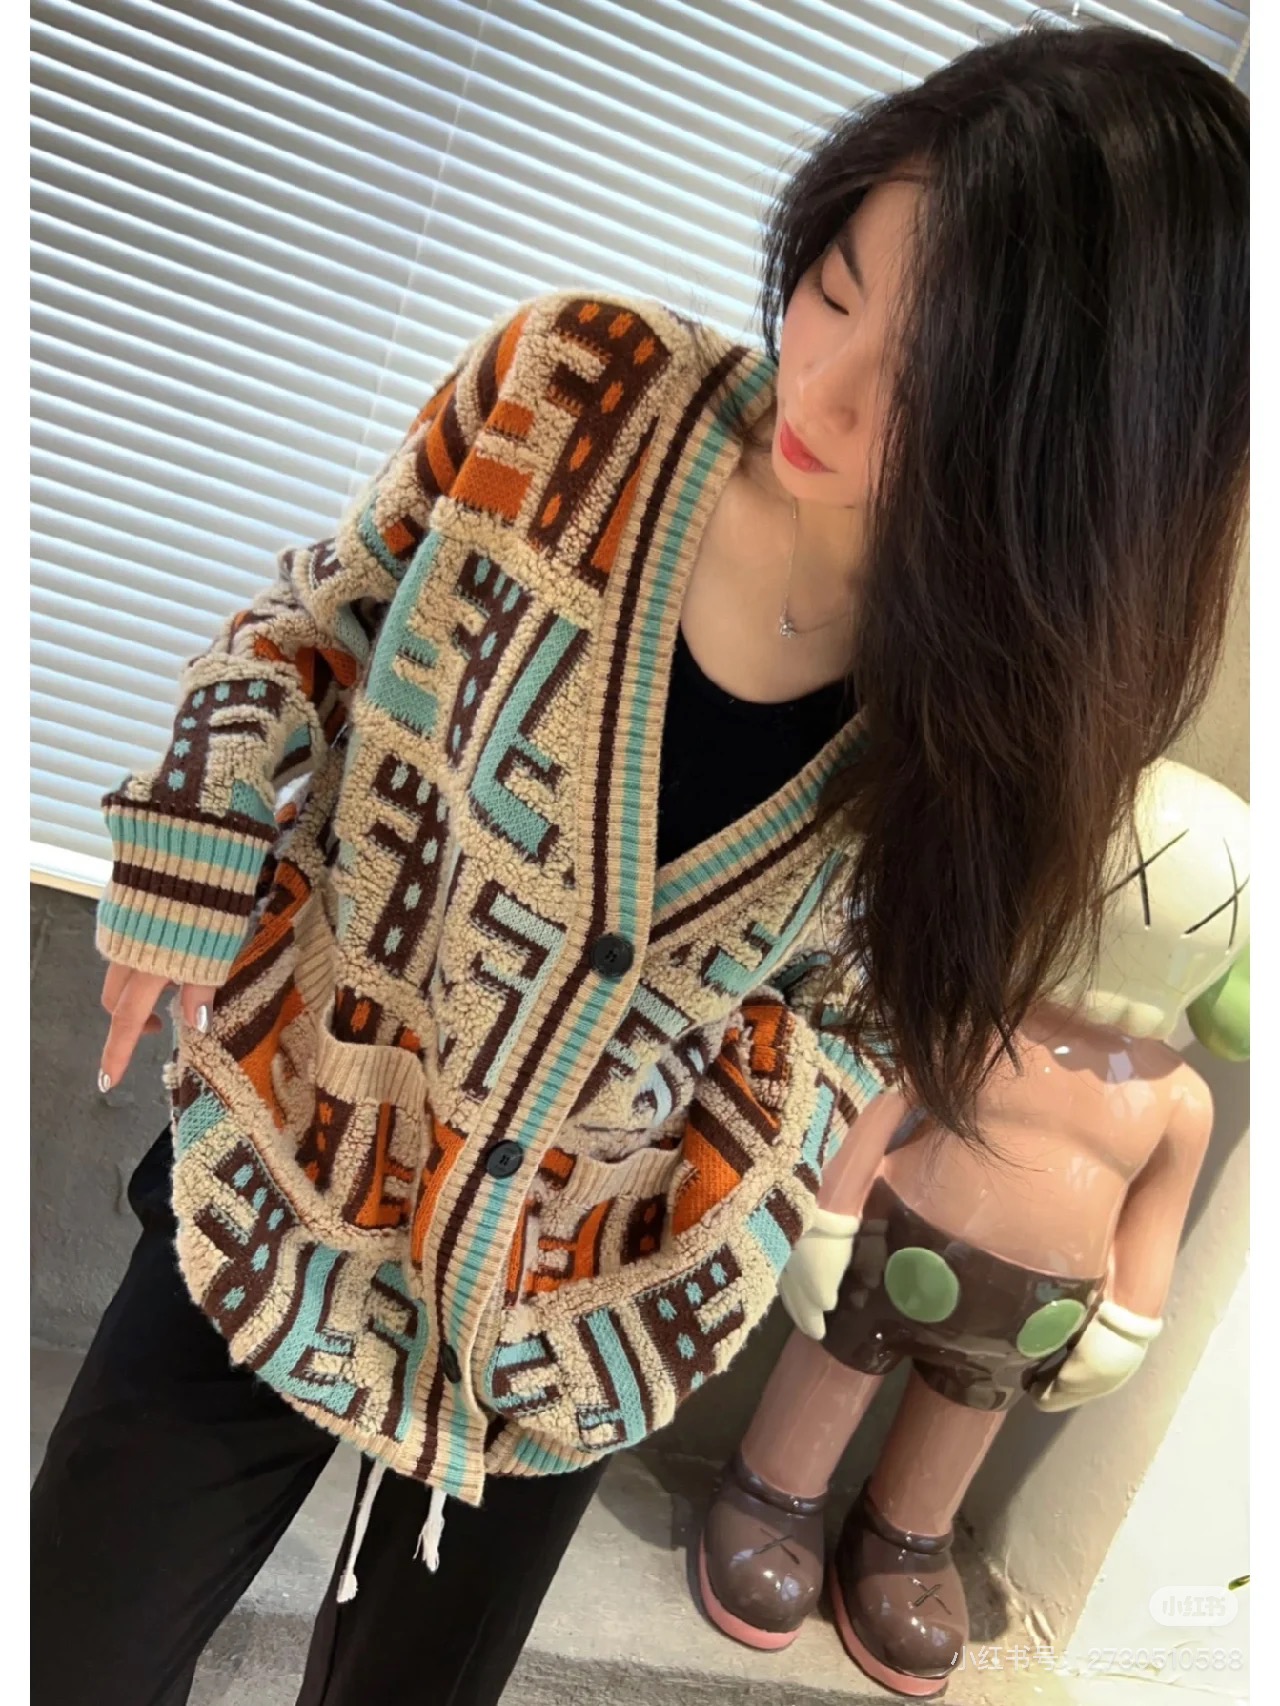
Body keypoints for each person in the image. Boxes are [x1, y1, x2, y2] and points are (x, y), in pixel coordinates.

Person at [31, 19, 1248, 1706]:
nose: (822, 387)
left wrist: (727, 1222)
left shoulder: (999, 719)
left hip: (575, 1312)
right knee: (69, 1645)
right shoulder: (570, 393)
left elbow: (866, 1013)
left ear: (1072, 453)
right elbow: (316, 621)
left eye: (926, 386)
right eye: (833, 285)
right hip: (293, 1152)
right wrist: (193, 841)